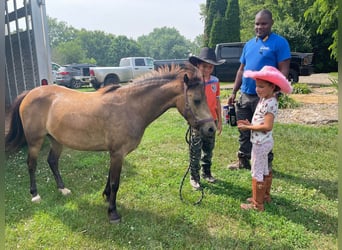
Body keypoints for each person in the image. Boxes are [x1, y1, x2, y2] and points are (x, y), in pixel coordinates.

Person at [227, 9, 291, 171]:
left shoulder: (279, 43)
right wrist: (234, 91)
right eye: (257, 23)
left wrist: (276, 92)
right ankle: (243, 160)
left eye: (264, 23)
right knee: (243, 128)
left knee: (262, 130)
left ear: (271, 24)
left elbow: (284, 69)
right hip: (246, 94)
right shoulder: (249, 44)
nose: (259, 27)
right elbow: (241, 70)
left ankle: (266, 163)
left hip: (264, 97)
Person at [238, 65, 292, 211]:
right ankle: (265, 196)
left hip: (261, 143)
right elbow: (261, 121)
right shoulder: (265, 99)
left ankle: (257, 204)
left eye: (261, 86)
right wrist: (251, 123)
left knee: (257, 171)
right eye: (257, 86)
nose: (257, 89)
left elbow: (267, 126)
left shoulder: (270, 102)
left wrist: (248, 128)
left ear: (272, 86)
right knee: (264, 170)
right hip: (262, 141)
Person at [188, 47, 224, 189]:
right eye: (204, 66)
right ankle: (194, 176)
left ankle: (206, 172)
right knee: (195, 149)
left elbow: (218, 101)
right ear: (198, 65)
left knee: (209, 148)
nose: (207, 70)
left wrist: (220, 121)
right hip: (198, 121)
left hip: (212, 120)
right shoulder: (194, 82)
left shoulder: (215, 81)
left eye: (210, 67)